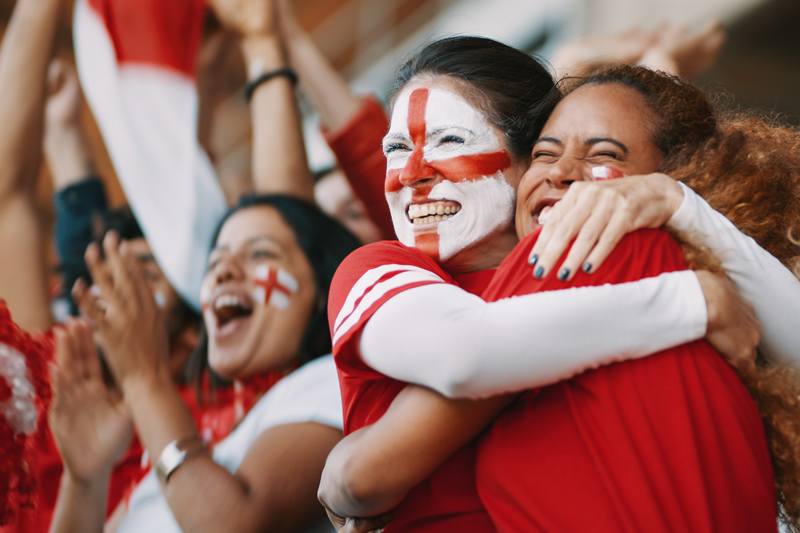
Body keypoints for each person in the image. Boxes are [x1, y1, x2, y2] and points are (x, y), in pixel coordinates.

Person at [317, 36, 795, 532]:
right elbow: (469, 353)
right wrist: (695, 300)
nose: (411, 174)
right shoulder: (377, 268)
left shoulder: (634, 255)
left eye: (451, 140)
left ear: (519, 163)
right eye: (395, 148)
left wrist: (677, 202)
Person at [48, 195, 360, 533]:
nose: (224, 271)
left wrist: (144, 381)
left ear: (322, 290)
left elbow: (234, 527)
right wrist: (84, 481)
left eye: (260, 253)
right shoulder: (190, 436)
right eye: (214, 264)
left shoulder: (332, 380)